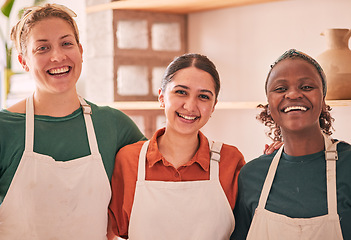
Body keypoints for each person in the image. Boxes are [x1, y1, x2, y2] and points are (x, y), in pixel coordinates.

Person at [0, 4, 145, 239]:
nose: (57, 56)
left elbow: (157, 181)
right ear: (24, 61)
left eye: (66, 43)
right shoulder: (4, 129)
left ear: (80, 50)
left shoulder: (113, 125)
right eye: (42, 48)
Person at [107, 53, 246, 240]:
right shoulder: (129, 160)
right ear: (162, 97)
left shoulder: (230, 160)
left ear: (213, 107)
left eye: (203, 96)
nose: (190, 106)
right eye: (181, 92)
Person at [231, 49, 351, 240]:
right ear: (269, 104)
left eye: (306, 87)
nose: (293, 94)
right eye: (280, 89)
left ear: (323, 98)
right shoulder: (252, 175)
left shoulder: (348, 165)